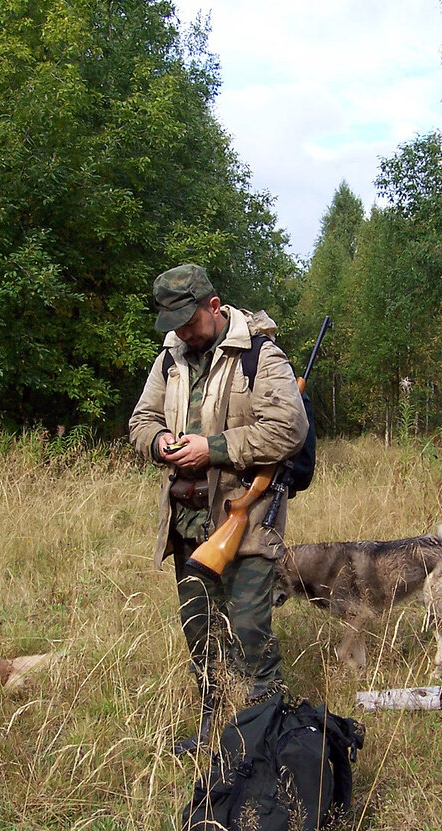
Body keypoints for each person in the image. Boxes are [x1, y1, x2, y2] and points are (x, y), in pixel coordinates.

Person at [129, 264, 308, 753]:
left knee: (250, 633)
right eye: (173, 323)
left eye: (189, 320)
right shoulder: (170, 358)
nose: (181, 332)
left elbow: (289, 430)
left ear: (214, 306)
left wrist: (213, 449)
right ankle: (213, 732)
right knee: (201, 636)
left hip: (244, 521)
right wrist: (160, 440)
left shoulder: (260, 356)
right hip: (186, 524)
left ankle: (265, 740)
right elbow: (140, 420)